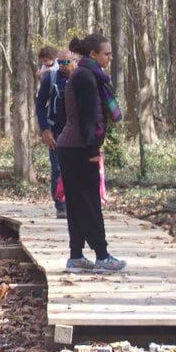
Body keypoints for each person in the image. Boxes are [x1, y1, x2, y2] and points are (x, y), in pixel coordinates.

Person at [56, 34, 125, 273]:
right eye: (107, 53)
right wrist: (93, 149)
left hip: (73, 146)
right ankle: (103, 256)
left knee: (77, 204)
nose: (110, 57)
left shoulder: (87, 75)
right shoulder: (86, 76)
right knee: (88, 203)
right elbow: (87, 118)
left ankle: (76, 256)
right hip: (79, 148)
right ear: (93, 55)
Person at [36, 48, 76, 218]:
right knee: (58, 169)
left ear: (75, 61)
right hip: (57, 131)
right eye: (59, 62)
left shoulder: (82, 78)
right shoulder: (50, 79)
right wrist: (45, 130)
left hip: (78, 132)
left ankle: (77, 204)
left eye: (65, 62)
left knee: (78, 170)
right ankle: (61, 206)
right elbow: (40, 105)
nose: (61, 66)